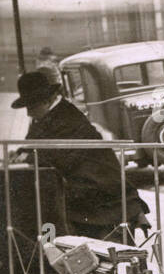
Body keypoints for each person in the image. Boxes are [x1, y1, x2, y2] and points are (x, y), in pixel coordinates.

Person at [10, 71, 150, 242]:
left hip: (100, 191)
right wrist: (20, 153)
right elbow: (33, 144)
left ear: (46, 101)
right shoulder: (47, 117)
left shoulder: (68, 117)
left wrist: (26, 157)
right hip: (85, 189)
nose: (29, 113)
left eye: (31, 107)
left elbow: (58, 156)